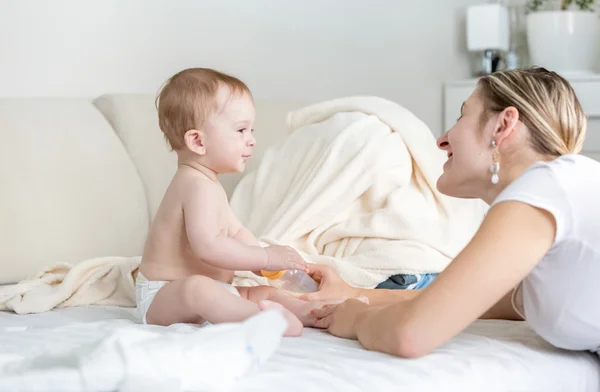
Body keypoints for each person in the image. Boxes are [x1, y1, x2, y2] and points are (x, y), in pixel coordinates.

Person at [307, 67, 600, 357]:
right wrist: (356, 295)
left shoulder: (544, 188)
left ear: (502, 126)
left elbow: (410, 334)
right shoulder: (564, 190)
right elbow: (463, 300)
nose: (442, 140)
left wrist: (356, 319)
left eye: (462, 116)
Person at [135, 68, 331, 336]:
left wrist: (266, 265)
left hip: (215, 291)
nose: (251, 140)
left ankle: (312, 312)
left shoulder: (210, 185)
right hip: (164, 295)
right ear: (197, 141)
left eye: (251, 130)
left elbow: (237, 232)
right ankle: (261, 321)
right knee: (198, 289)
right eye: (241, 130)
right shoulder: (192, 184)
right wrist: (264, 256)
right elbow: (208, 246)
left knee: (261, 292)